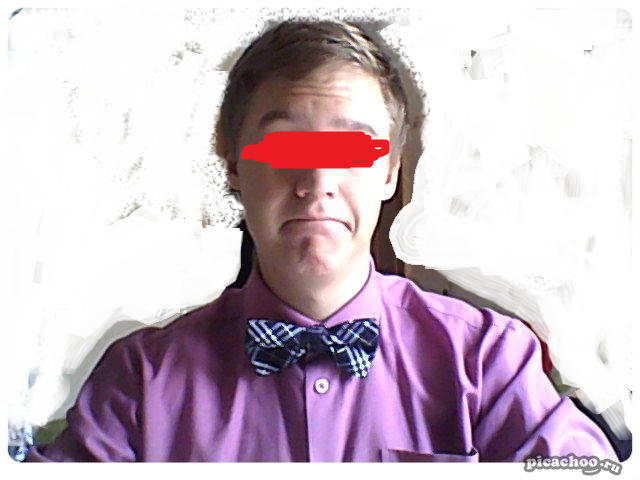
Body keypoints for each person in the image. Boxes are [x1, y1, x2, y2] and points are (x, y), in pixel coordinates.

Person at [26, 19, 616, 462]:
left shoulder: (489, 363)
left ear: (389, 172)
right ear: (233, 168)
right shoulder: (139, 383)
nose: (317, 182)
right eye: (285, 147)